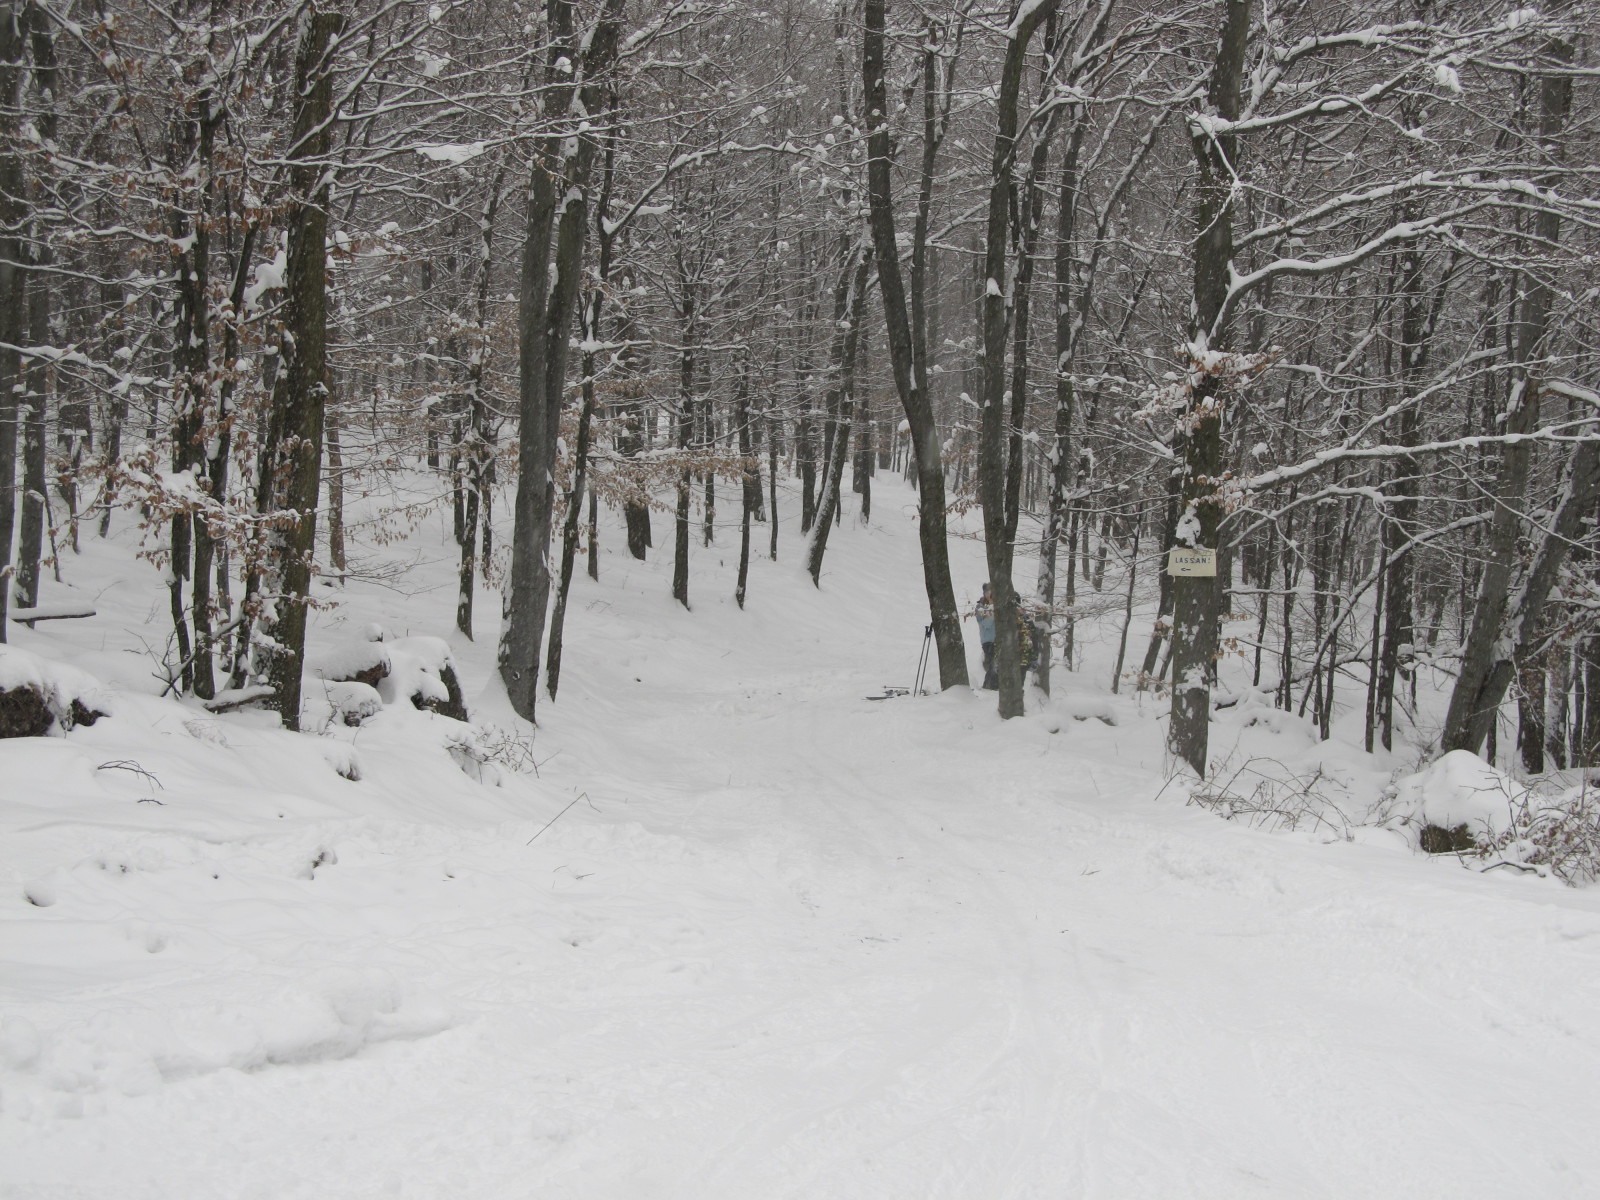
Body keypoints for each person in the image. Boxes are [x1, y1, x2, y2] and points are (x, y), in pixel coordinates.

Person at [971, 583, 997, 690]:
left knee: (995, 664)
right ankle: (988, 686)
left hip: (998, 639)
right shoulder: (980, 607)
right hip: (987, 640)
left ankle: (993, 686)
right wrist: (992, 611)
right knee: (992, 664)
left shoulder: (997, 604)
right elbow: (986, 624)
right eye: (987, 592)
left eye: (990, 592)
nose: (989, 595)